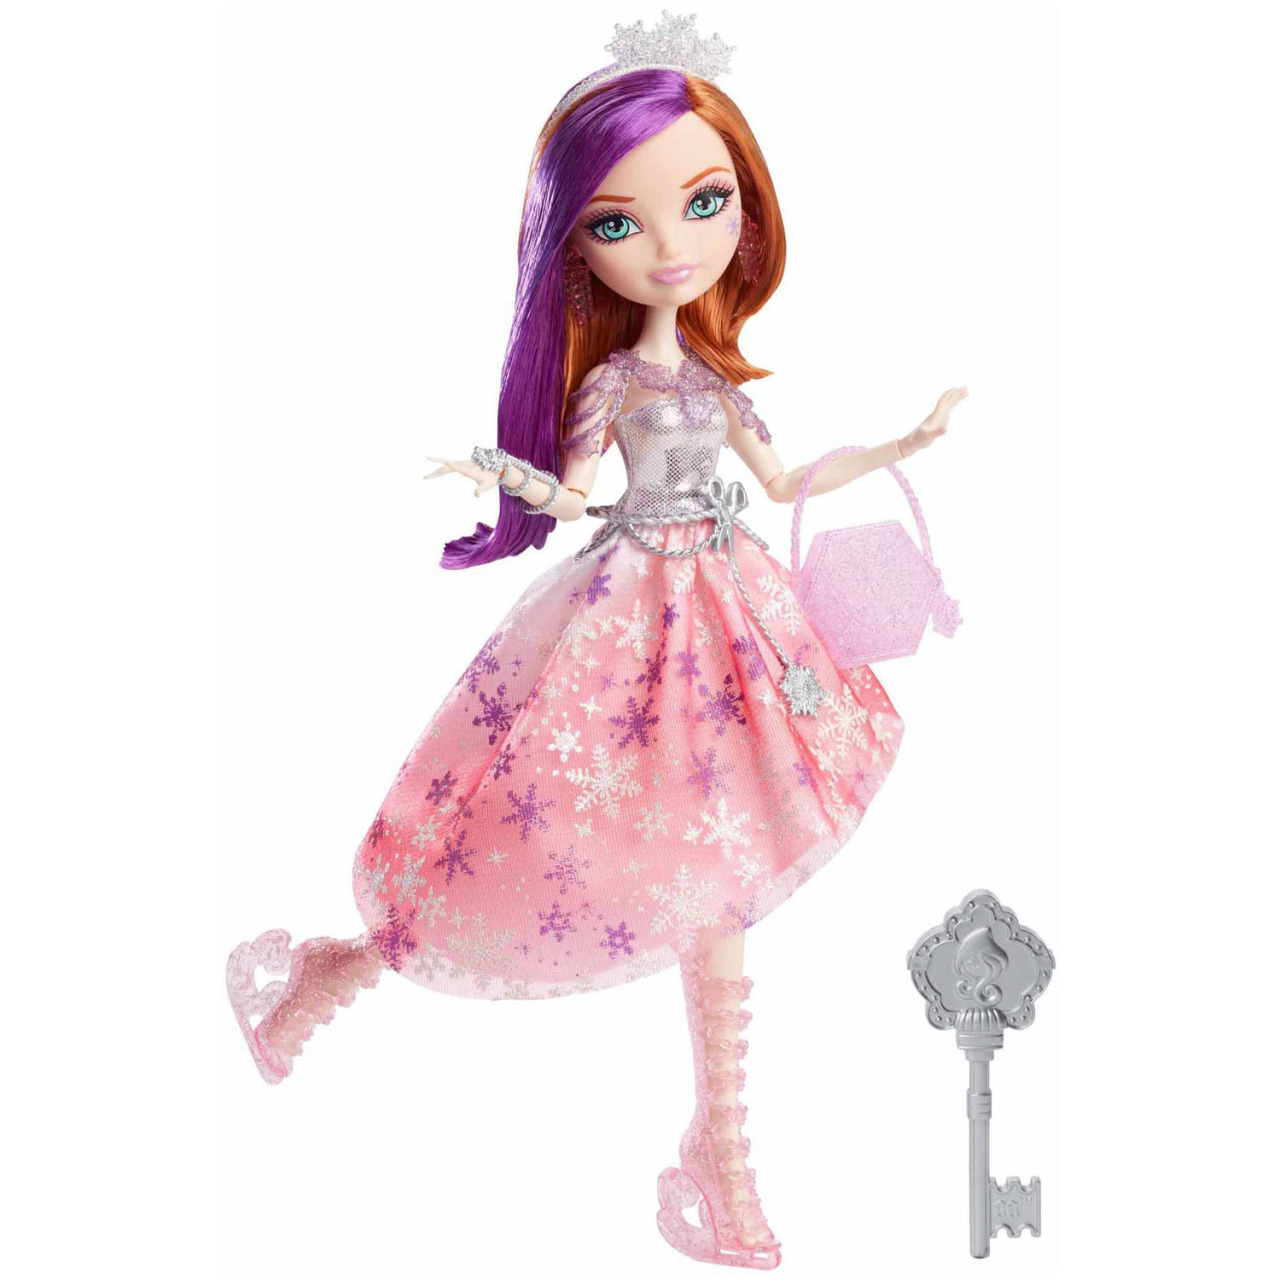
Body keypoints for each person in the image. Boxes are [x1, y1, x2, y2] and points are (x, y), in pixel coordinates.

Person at [227, 15, 966, 1269]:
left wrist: (896, 446)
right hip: (628, 620)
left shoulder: (714, 387)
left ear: (743, 210)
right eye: (619, 222)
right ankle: (339, 969)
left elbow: (783, 480)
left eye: (703, 203)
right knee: (528, 827)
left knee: (727, 845)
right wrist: (507, 475)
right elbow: (576, 495)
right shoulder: (615, 385)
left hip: (732, 612)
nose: (671, 245)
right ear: (575, 245)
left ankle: (720, 1142)